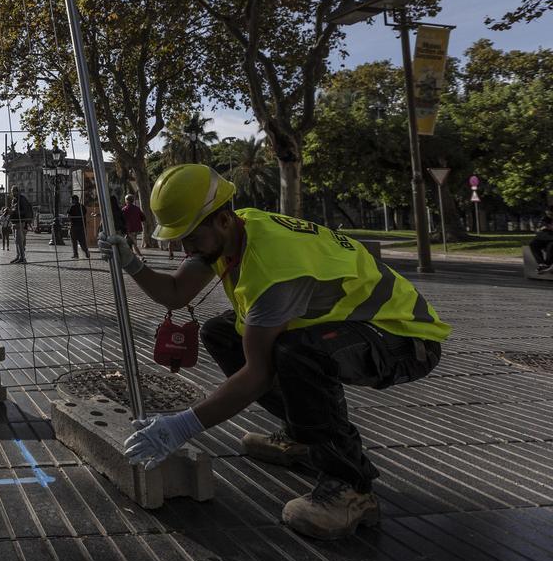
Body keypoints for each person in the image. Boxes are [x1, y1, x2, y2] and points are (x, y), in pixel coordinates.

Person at [101, 164, 449, 540]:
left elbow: (257, 374)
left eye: (190, 237)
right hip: (356, 328)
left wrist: (180, 426)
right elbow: (176, 293)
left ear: (221, 220)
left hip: (402, 339)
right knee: (222, 332)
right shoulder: (238, 228)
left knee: (297, 354)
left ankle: (351, 486)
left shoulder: (275, 268)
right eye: (179, 238)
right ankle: (304, 437)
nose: (185, 249)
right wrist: (133, 265)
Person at [6, 186, 32, 264]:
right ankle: (18, 256)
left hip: (20, 222)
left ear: (17, 191)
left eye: (14, 191)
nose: (12, 193)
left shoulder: (22, 199)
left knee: (19, 241)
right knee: (16, 241)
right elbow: (14, 209)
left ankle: (23, 258)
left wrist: (14, 212)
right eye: (12, 191)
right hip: (14, 222)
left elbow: (24, 211)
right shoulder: (14, 200)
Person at [121, 193, 146, 258]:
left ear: (127, 200)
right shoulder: (137, 208)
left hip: (129, 229)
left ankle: (141, 257)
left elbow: (121, 219)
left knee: (133, 244)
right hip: (136, 229)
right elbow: (143, 218)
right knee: (130, 243)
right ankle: (132, 256)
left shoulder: (124, 209)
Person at [67, 194, 89, 259]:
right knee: (82, 241)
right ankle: (86, 251)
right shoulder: (82, 207)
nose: (70, 201)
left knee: (74, 241)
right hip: (82, 226)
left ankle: (75, 254)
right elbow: (85, 213)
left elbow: (68, 216)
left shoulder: (72, 207)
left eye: (71, 199)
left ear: (74, 200)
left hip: (74, 227)